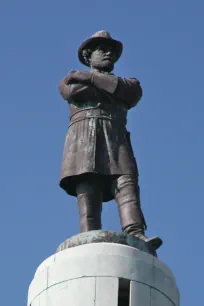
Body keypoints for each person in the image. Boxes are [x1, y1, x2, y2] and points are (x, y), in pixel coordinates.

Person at [58, 30, 162, 251]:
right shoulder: (70, 81)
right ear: (89, 56)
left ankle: (135, 232)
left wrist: (89, 78)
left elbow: (129, 91)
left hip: (116, 138)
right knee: (88, 187)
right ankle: (88, 235)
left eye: (111, 51)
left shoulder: (129, 83)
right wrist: (109, 88)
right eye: (101, 50)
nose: (108, 54)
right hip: (83, 139)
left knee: (126, 185)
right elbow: (71, 90)